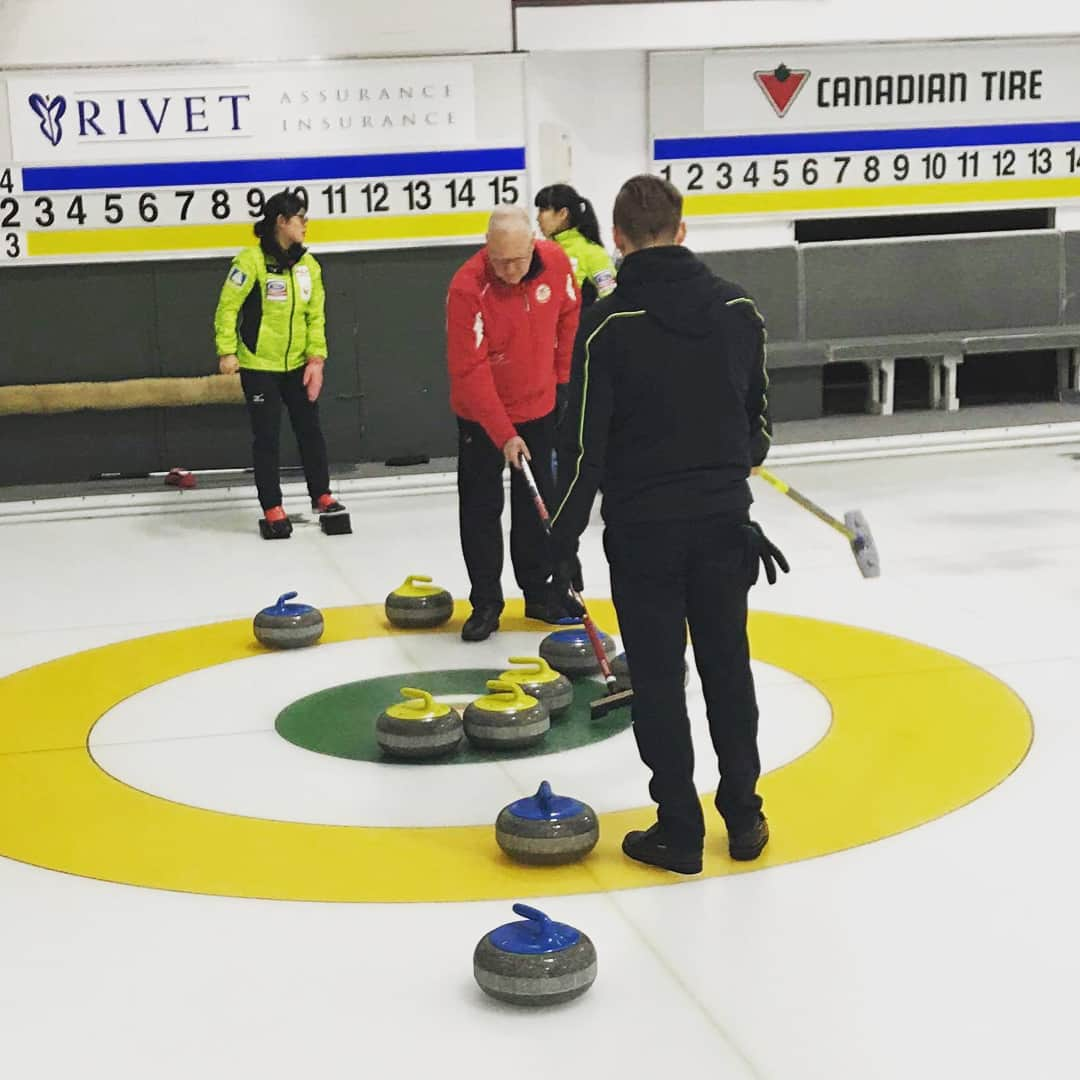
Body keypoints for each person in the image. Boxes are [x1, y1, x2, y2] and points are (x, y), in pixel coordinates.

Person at [548, 174, 788, 873]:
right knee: (727, 668)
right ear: (682, 232)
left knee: (658, 680)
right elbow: (759, 429)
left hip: (644, 533)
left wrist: (559, 546)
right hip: (722, 527)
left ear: (617, 240)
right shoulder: (739, 309)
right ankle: (744, 817)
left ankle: (679, 831)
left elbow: (584, 449)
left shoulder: (606, 325)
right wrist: (724, 462)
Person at [446, 205, 581, 641]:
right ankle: (486, 601)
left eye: (518, 260)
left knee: (535, 506)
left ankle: (538, 592)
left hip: (540, 408)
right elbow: (470, 371)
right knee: (482, 509)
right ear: (487, 249)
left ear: (533, 245)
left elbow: (570, 316)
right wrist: (504, 434)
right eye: (500, 261)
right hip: (481, 418)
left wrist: (561, 380)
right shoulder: (468, 287)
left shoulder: (556, 263)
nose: (510, 270)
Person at [213, 189, 345, 539]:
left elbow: (315, 316)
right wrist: (227, 351)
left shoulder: (309, 265)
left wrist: (317, 359)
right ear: (281, 222)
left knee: (310, 432)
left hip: (298, 366)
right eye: (300, 219)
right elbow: (227, 308)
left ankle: (323, 495)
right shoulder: (249, 262)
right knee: (267, 438)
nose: (306, 225)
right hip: (259, 367)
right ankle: (272, 506)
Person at [535, 184, 617, 307]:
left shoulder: (593, 253)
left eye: (543, 210)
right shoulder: (541, 252)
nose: (538, 218)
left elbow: (611, 300)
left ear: (563, 213)